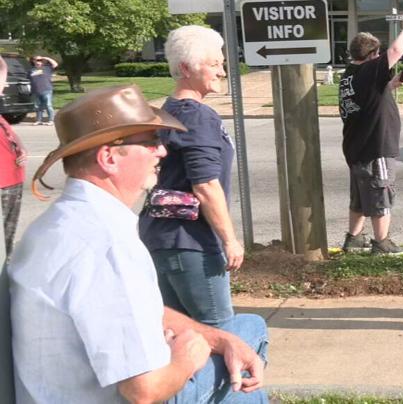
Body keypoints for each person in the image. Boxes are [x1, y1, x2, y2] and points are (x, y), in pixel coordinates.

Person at [10, 84, 268, 402]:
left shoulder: (64, 221)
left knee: (239, 335)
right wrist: (189, 355)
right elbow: (143, 390)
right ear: (109, 157)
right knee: (247, 348)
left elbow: (138, 309)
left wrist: (215, 338)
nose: (162, 151)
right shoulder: (106, 243)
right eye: (151, 141)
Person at [139, 25, 244, 326]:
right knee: (218, 333)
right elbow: (206, 185)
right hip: (192, 242)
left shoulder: (170, 110)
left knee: (178, 334)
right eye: (214, 64)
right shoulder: (198, 117)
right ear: (186, 69)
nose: (222, 72)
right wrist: (230, 240)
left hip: (160, 237)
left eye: (221, 63)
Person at [338, 20, 403, 255]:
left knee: (360, 196)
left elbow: (367, 97)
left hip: (356, 147)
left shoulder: (350, 75)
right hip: (375, 146)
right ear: (373, 55)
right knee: (381, 190)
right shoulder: (368, 70)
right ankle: (382, 243)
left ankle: (354, 238)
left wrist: (390, 85)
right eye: (378, 54)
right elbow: (396, 50)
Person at [0, 55, 26, 254]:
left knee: (8, 237)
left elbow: (3, 70)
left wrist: (21, 148)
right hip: (3, 182)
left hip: (13, 178)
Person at [28, 54, 57, 125]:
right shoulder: (31, 70)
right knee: (37, 106)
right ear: (33, 61)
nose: (39, 61)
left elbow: (55, 64)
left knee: (48, 105)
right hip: (35, 91)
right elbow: (28, 79)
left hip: (47, 89)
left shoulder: (47, 68)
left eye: (40, 60)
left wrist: (46, 58)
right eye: (37, 60)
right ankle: (39, 120)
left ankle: (51, 120)